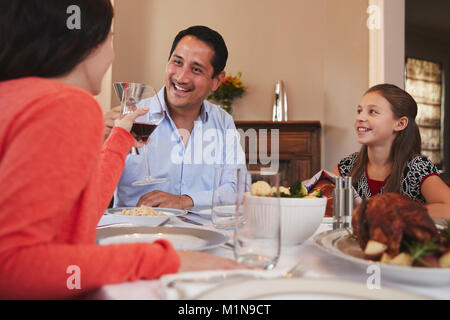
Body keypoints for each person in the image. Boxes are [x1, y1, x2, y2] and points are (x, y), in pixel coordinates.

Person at [0, 0, 244, 299]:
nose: (112, 51)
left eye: (196, 69)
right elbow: (14, 267)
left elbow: (76, 218)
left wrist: (117, 141)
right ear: (85, 43)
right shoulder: (65, 106)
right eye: (110, 38)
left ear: (217, 80)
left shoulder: (15, 97)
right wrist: (166, 262)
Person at [107, 25, 245, 209]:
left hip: (202, 235)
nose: (181, 77)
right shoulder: (130, 117)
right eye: (177, 62)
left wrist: (184, 200)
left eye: (196, 69)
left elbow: (237, 189)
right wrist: (96, 142)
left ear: (217, 81)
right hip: (137, 232)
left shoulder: (223, 122)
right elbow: (91, 188)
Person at [330, 84, 450, 219]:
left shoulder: (417, 166)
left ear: (400, 124)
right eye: (359, 111)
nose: (360, 118)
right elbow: (315, 197)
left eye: (372, 112)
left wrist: (391, 213)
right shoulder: (349, 164)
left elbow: (448, 208)